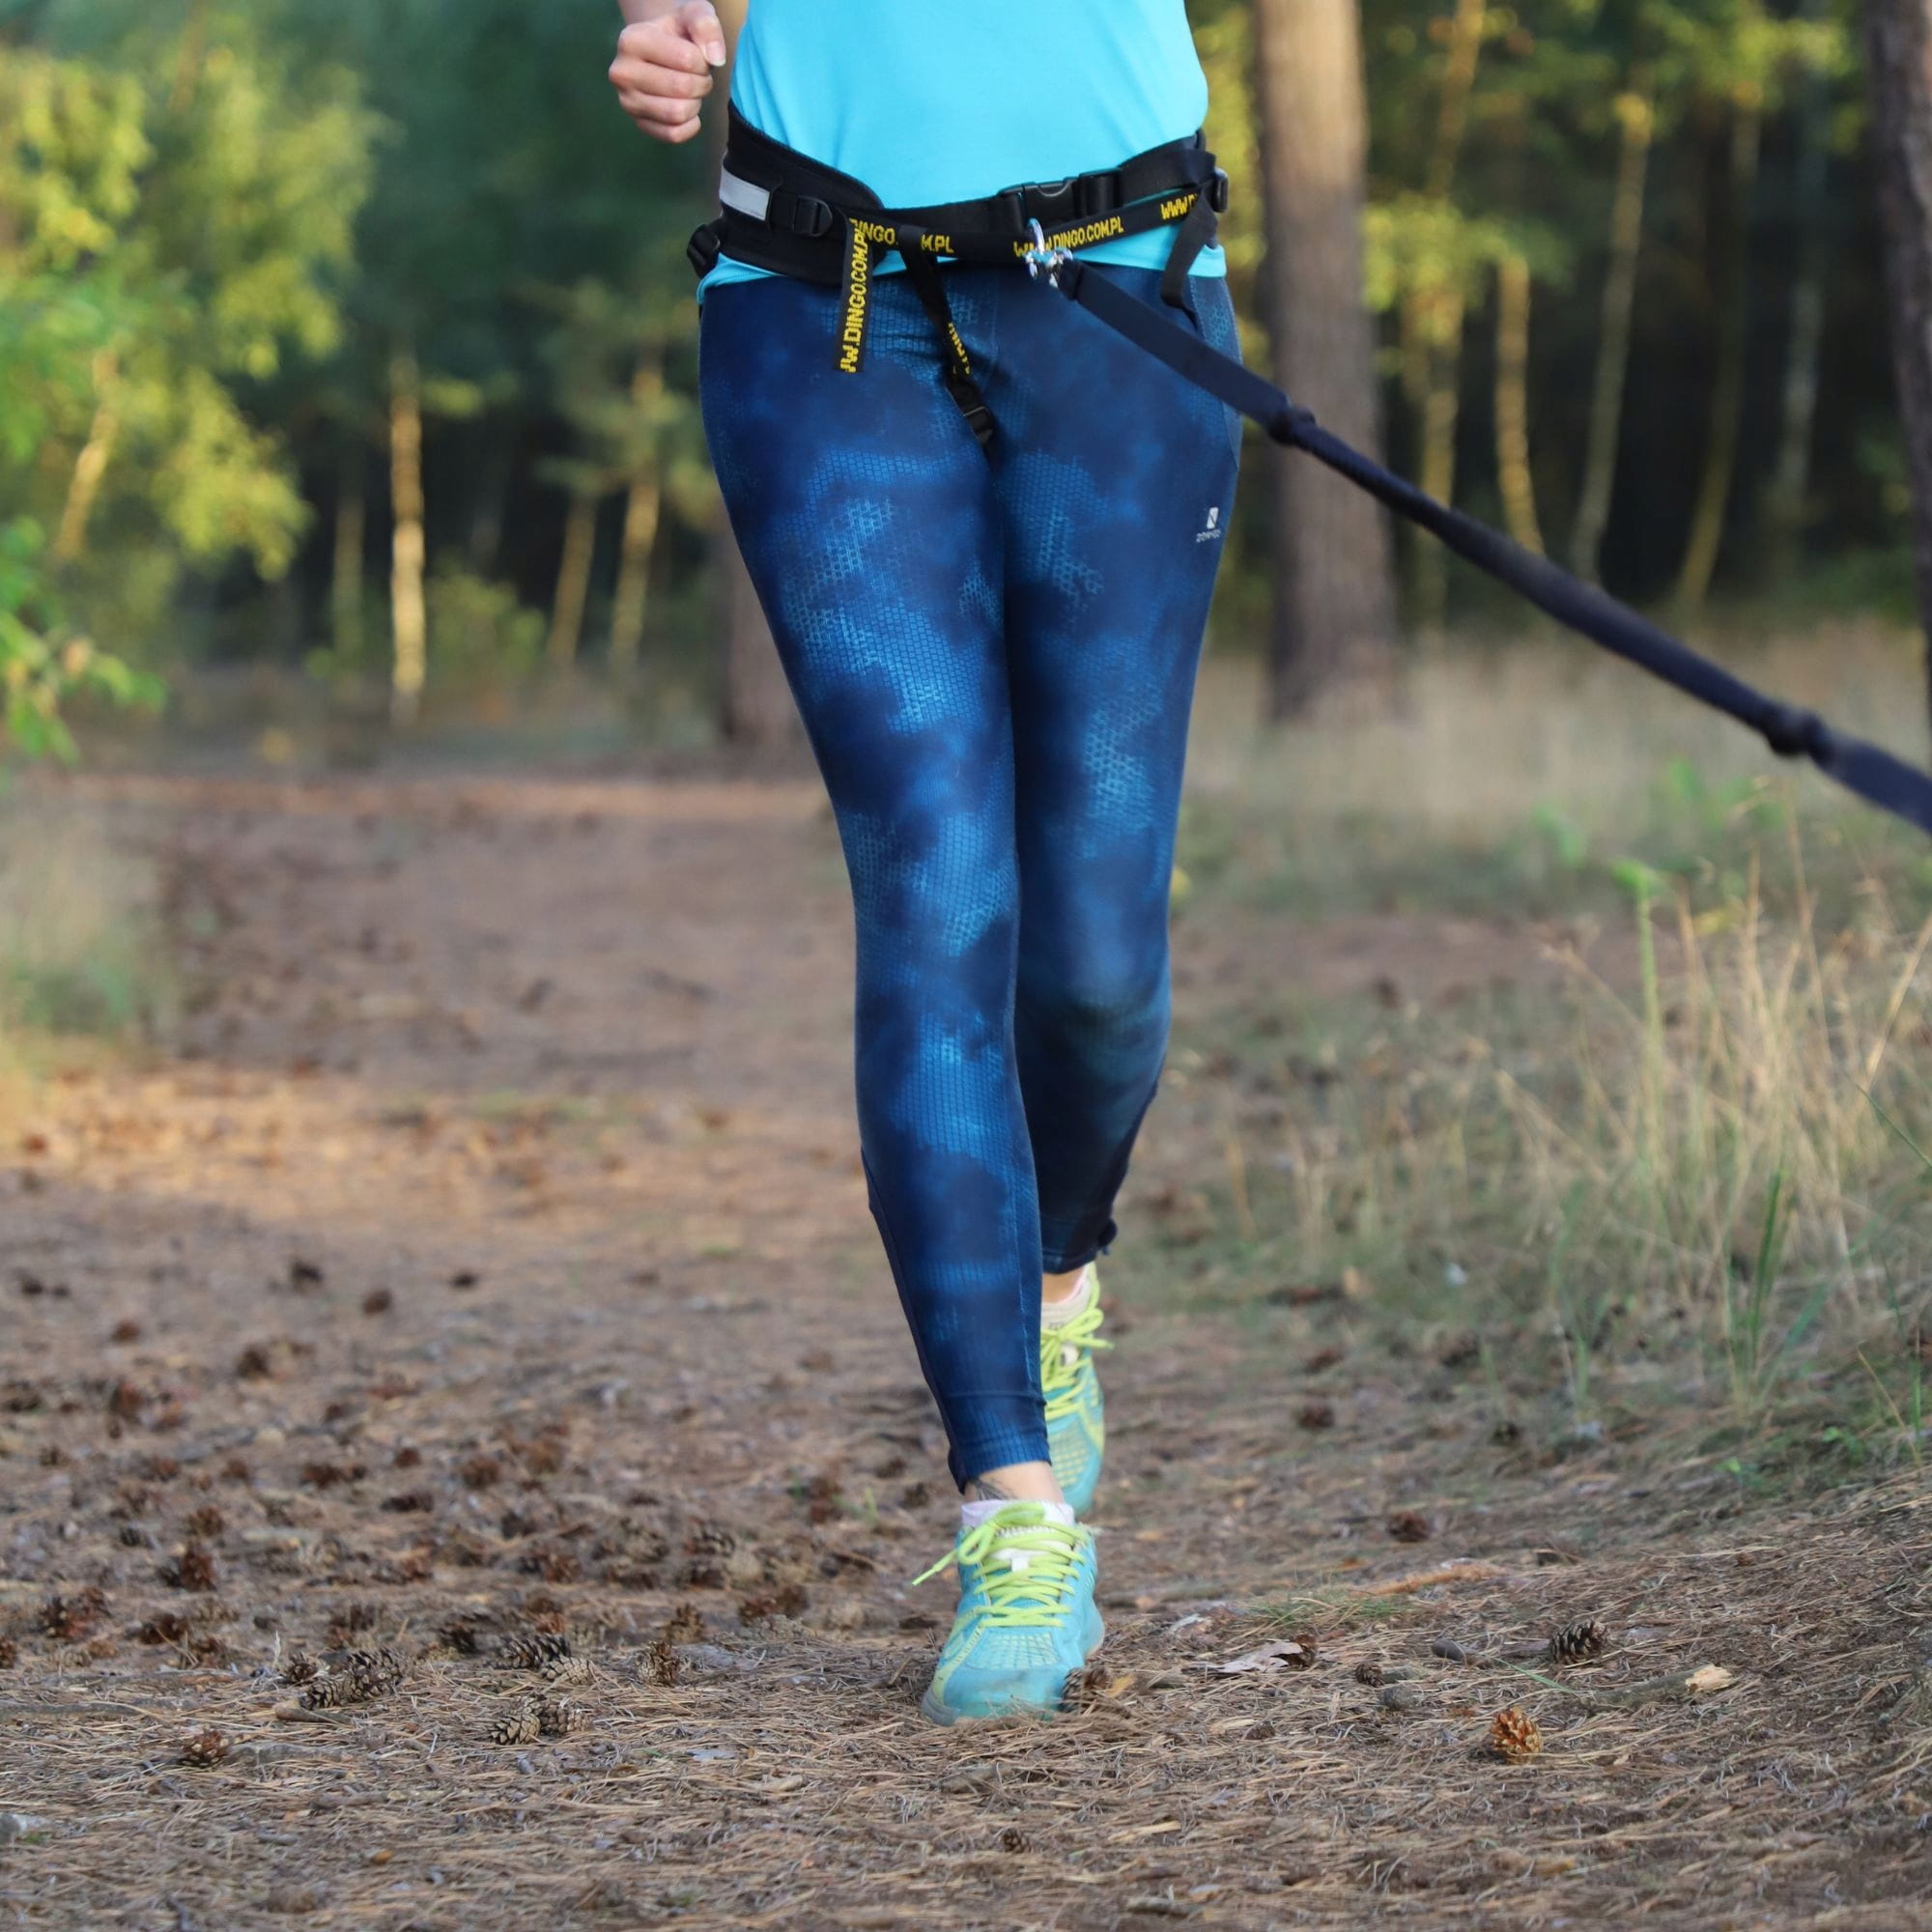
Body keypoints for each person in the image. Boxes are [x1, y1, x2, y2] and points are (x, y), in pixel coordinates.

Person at [611, 0, 1241, 1722]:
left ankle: (1058, 1273)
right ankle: (1010, 1512)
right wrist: (668, 17)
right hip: (819, 307)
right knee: (936, 887)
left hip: (1119, 286)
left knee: (1096, 965)